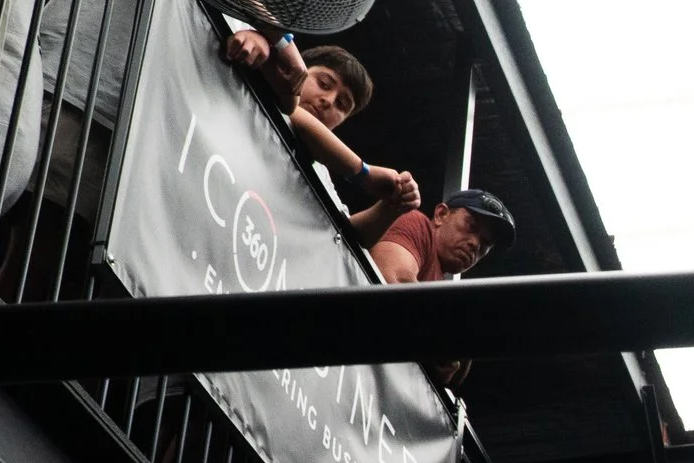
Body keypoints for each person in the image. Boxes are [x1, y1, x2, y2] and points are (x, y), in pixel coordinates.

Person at [219, 34, 419, 245]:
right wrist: (364, 173)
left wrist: (393, 204)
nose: (328, 101)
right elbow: (294, 114)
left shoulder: (321, 173)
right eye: (324, 84)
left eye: (342, 105)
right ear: (298, 68)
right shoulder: (259, 85)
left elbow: (346, 236)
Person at [371, 189, 515, 285]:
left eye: (486, 243)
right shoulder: (417, 223)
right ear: (441, 214)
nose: (475, 244)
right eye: (471, 226)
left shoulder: (437, 278)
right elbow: (393, 283)